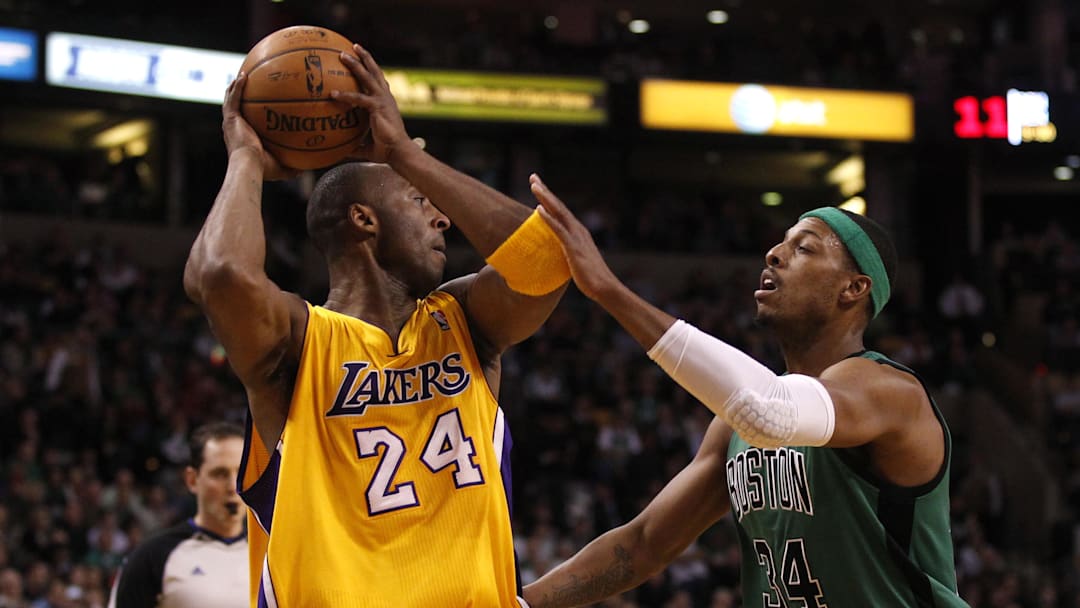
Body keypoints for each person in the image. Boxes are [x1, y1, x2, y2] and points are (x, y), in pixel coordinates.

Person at [183, 44, 569, 607]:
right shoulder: (298, 343)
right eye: (419, 201)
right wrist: (246, 157)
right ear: (363, 219)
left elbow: (547, 260)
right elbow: (218, 273)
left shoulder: (464, 323)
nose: (442, 217)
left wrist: (406, 157)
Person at [522, 176, 969, 607]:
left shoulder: (891, 391)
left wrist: (608, 290)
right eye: (781, 243)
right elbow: (642, 545)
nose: (774, 254)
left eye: (804, 248)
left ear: (853, 289)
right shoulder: (736, 426)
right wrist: (517, 603)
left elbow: (772, 410)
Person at [107, 422, 247, 608]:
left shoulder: (272, 555)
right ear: (192, 480)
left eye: (242, 473)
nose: (232, 486)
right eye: (220, 474)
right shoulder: (152, 557)